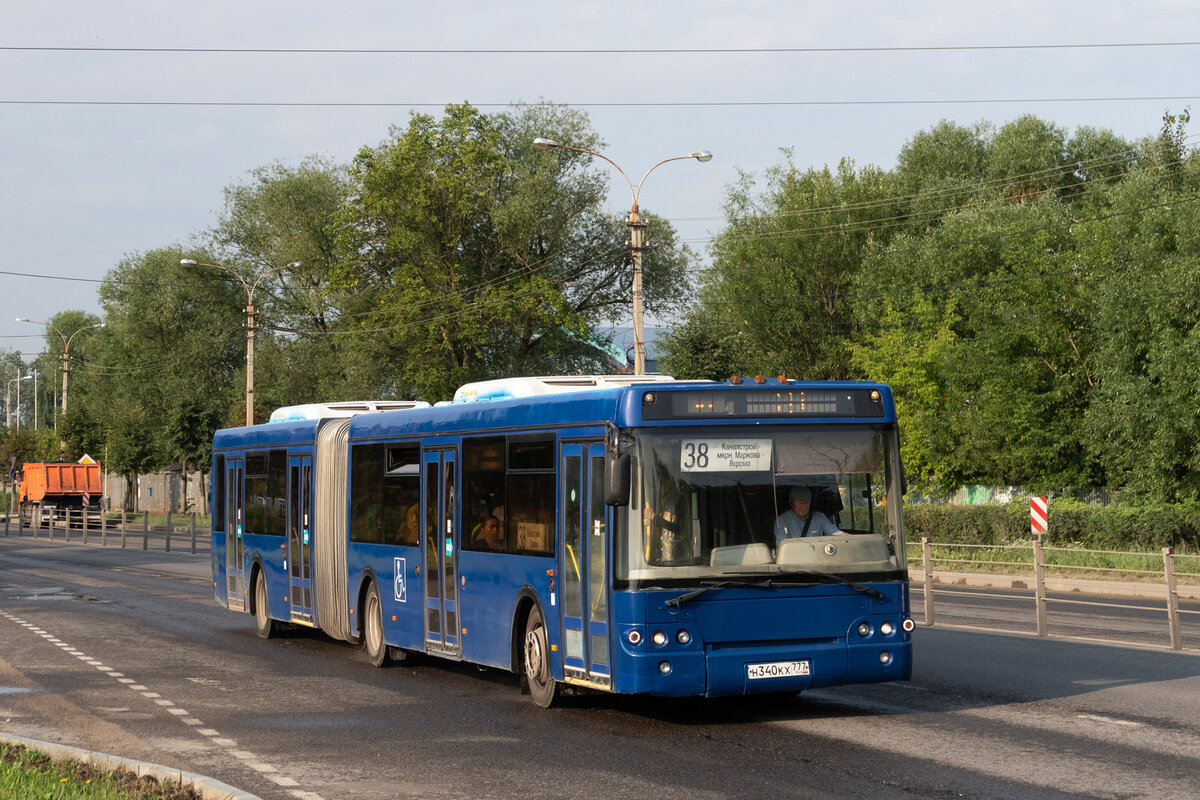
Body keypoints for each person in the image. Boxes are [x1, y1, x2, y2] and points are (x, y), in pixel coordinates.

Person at [774, 486, 842, 547]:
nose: (804, 507)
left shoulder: (819, 517)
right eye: (800, 504)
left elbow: (834, 532)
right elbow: (782, 545)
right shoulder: (782, 520)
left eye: (806, 503)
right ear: (791, 502)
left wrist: (844, 536)